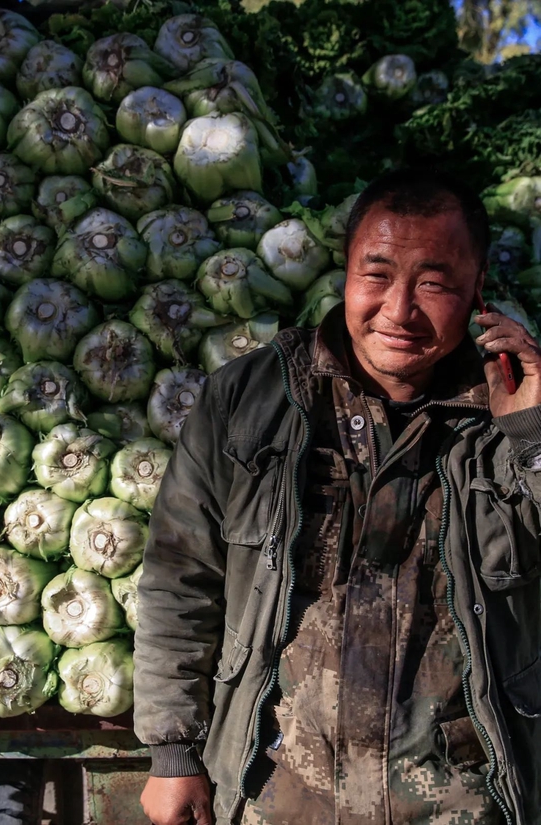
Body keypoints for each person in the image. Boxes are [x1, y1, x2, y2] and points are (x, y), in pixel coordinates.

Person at [133, 168, 541, 825]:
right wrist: (173, 749)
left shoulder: (516, 412)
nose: (399, 310)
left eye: (434, 283)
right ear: (345, 273)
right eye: (376, 273)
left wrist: (532, 434)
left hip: (459, 804)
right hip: (278, 795)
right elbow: (180, 579)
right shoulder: (248, 399)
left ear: (479, 293)